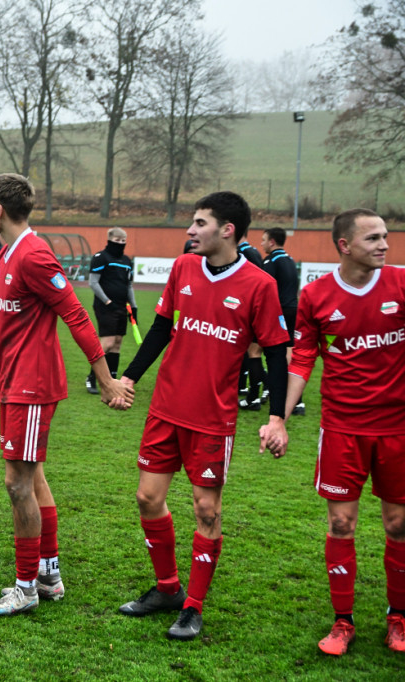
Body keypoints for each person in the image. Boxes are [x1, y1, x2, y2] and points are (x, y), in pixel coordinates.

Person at [0, 174, 133, 615]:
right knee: (32, 480)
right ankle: (48, 576)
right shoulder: (9, 253)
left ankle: (26, 586)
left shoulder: (34, 254)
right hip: (14, 382)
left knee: (16, 485)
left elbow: (74, 313)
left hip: (32, 386)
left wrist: (107, 378)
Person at [116, 191, 289, 641]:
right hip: (165, 410)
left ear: (227, 230)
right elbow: (161, 328)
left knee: (206, 510)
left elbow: (276, 354)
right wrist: (131, 377)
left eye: (199, 223)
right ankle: (168, 589)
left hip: (212, 420)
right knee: (147, 499)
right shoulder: (183, 268)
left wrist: (277, 417)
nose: (190, 231)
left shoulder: (259, 285)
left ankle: (193, 607)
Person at [283, 208, 405, 656]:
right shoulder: (315, 295)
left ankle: (399, 618)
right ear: (344, 245)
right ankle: (343, 621)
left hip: (398, 427)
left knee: (399, 525)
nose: (383, 244)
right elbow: (302, 358)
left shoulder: (401, 284)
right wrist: (281, 415)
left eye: (385, 236)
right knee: (340, 523)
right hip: (342, 427)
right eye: (372, 238)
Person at [86, 228, 136, 395]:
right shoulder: (101, 258)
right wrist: (107, 301)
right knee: (106, 343)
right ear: (109, 239)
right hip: (105, 306)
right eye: (117, 239)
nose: (121, 243)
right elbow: (93, 283)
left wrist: (133, 307)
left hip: (122, 306)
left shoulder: (127, 260)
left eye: (123, 240)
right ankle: (92, 378)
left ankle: (112, 379)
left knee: (117, 344)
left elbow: (128, 285)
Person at [260, 227, 303, 415]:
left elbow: (264, 288)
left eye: (263, 240)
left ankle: (271, 388)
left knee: (260, 351)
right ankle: (297, 400)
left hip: (279, 311)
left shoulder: (271, 260)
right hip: (293, 309)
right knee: (288, 351)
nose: (261, 244)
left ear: (271, 242)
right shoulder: (289, 259)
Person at [236, 234, 265, 403]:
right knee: (251, 352)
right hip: (253, 308)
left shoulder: (244, 253)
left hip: (249, 309)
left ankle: (257, 392)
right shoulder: (253, 252)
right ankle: (246, 388)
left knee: (253, 353)